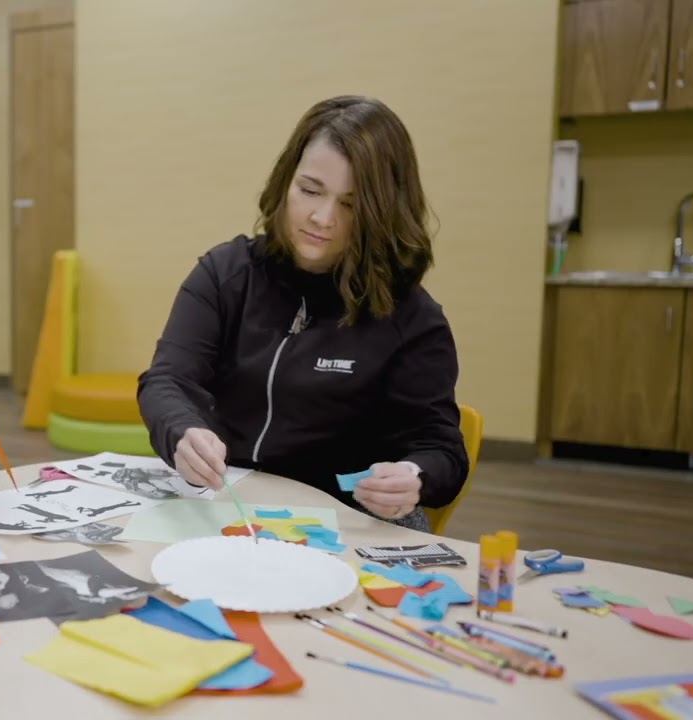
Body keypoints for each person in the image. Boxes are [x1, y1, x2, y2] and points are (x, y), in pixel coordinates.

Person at [136, 95, 468, 531]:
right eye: (310, 190)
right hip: (227, 502)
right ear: (285, 181)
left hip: (345, 521)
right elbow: (168, 379)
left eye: (351, 204)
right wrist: (181, 431)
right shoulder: (225, 274)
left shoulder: (413, 318)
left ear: (382, 212)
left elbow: (442, 449)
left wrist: (414, 476)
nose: (322, 218)